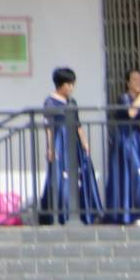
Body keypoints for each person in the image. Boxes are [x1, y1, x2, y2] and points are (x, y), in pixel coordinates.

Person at [32, 67, 100, 225]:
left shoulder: (72, 102)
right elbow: (49, 126)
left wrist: (84, 141)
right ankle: (60, 214)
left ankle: (82, 213)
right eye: (68, 84)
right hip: (60, 141)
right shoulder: (50, 101)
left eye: (72, 84)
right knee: (60, 177)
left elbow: (78, 124)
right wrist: (50, 148)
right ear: (60, 84)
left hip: (73, 141)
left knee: (78, 176)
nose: (71, 87)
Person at [99, 69, 140, 226]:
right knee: (133, 175)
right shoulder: (124, 98)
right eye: (134, 79)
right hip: (125, 140)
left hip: (137, 140)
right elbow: (131, 112)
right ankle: (133, 214)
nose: (138, 82)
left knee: (138, 175)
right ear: (128, 83)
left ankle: (139, 213)